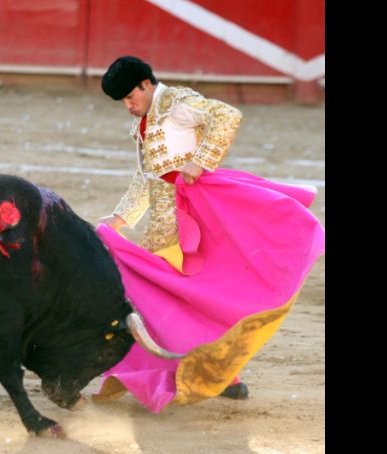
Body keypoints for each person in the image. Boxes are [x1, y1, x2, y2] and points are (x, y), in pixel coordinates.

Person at [91, 56, 325, 412]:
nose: (128, 106)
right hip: (162, 224)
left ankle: (224, 374)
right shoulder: (143, 123)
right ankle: (199, 371)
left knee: (194, 297)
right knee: (160, 298)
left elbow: (227, 116)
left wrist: (200, 160)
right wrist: (122, 218)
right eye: (122, 101)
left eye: (129, 97)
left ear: (145, 84)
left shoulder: (178, 104)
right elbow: (147, 179)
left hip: (196, 221)